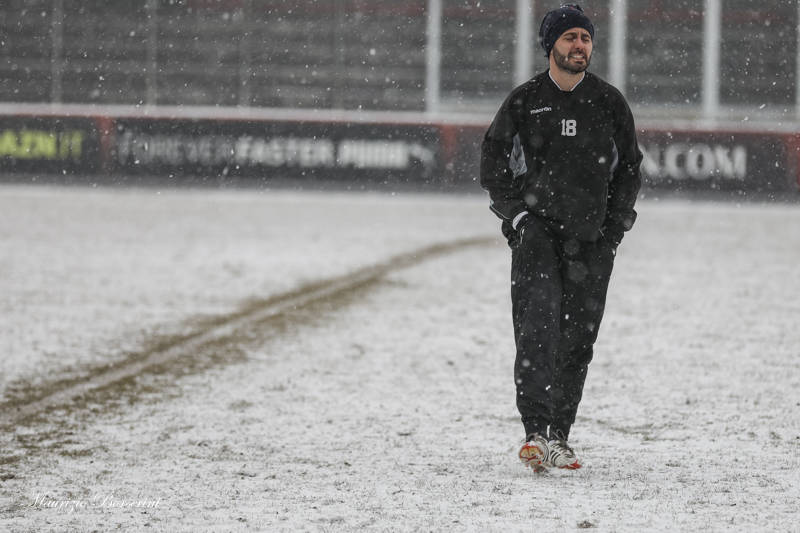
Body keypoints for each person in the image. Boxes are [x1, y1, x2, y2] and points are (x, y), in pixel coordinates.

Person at [479, 4, 642, 472]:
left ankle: (560, 436)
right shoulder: (526, 100)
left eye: (585, 38)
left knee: (578, 340)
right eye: (570, 37)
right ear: (551, 44)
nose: (579, 46)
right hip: (539, 238)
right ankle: (534, 432)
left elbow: (630, 169)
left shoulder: (608, 102)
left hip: (592, 241)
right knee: (538, 329)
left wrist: (614, 228)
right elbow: (492, 165)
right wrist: (519, 219)